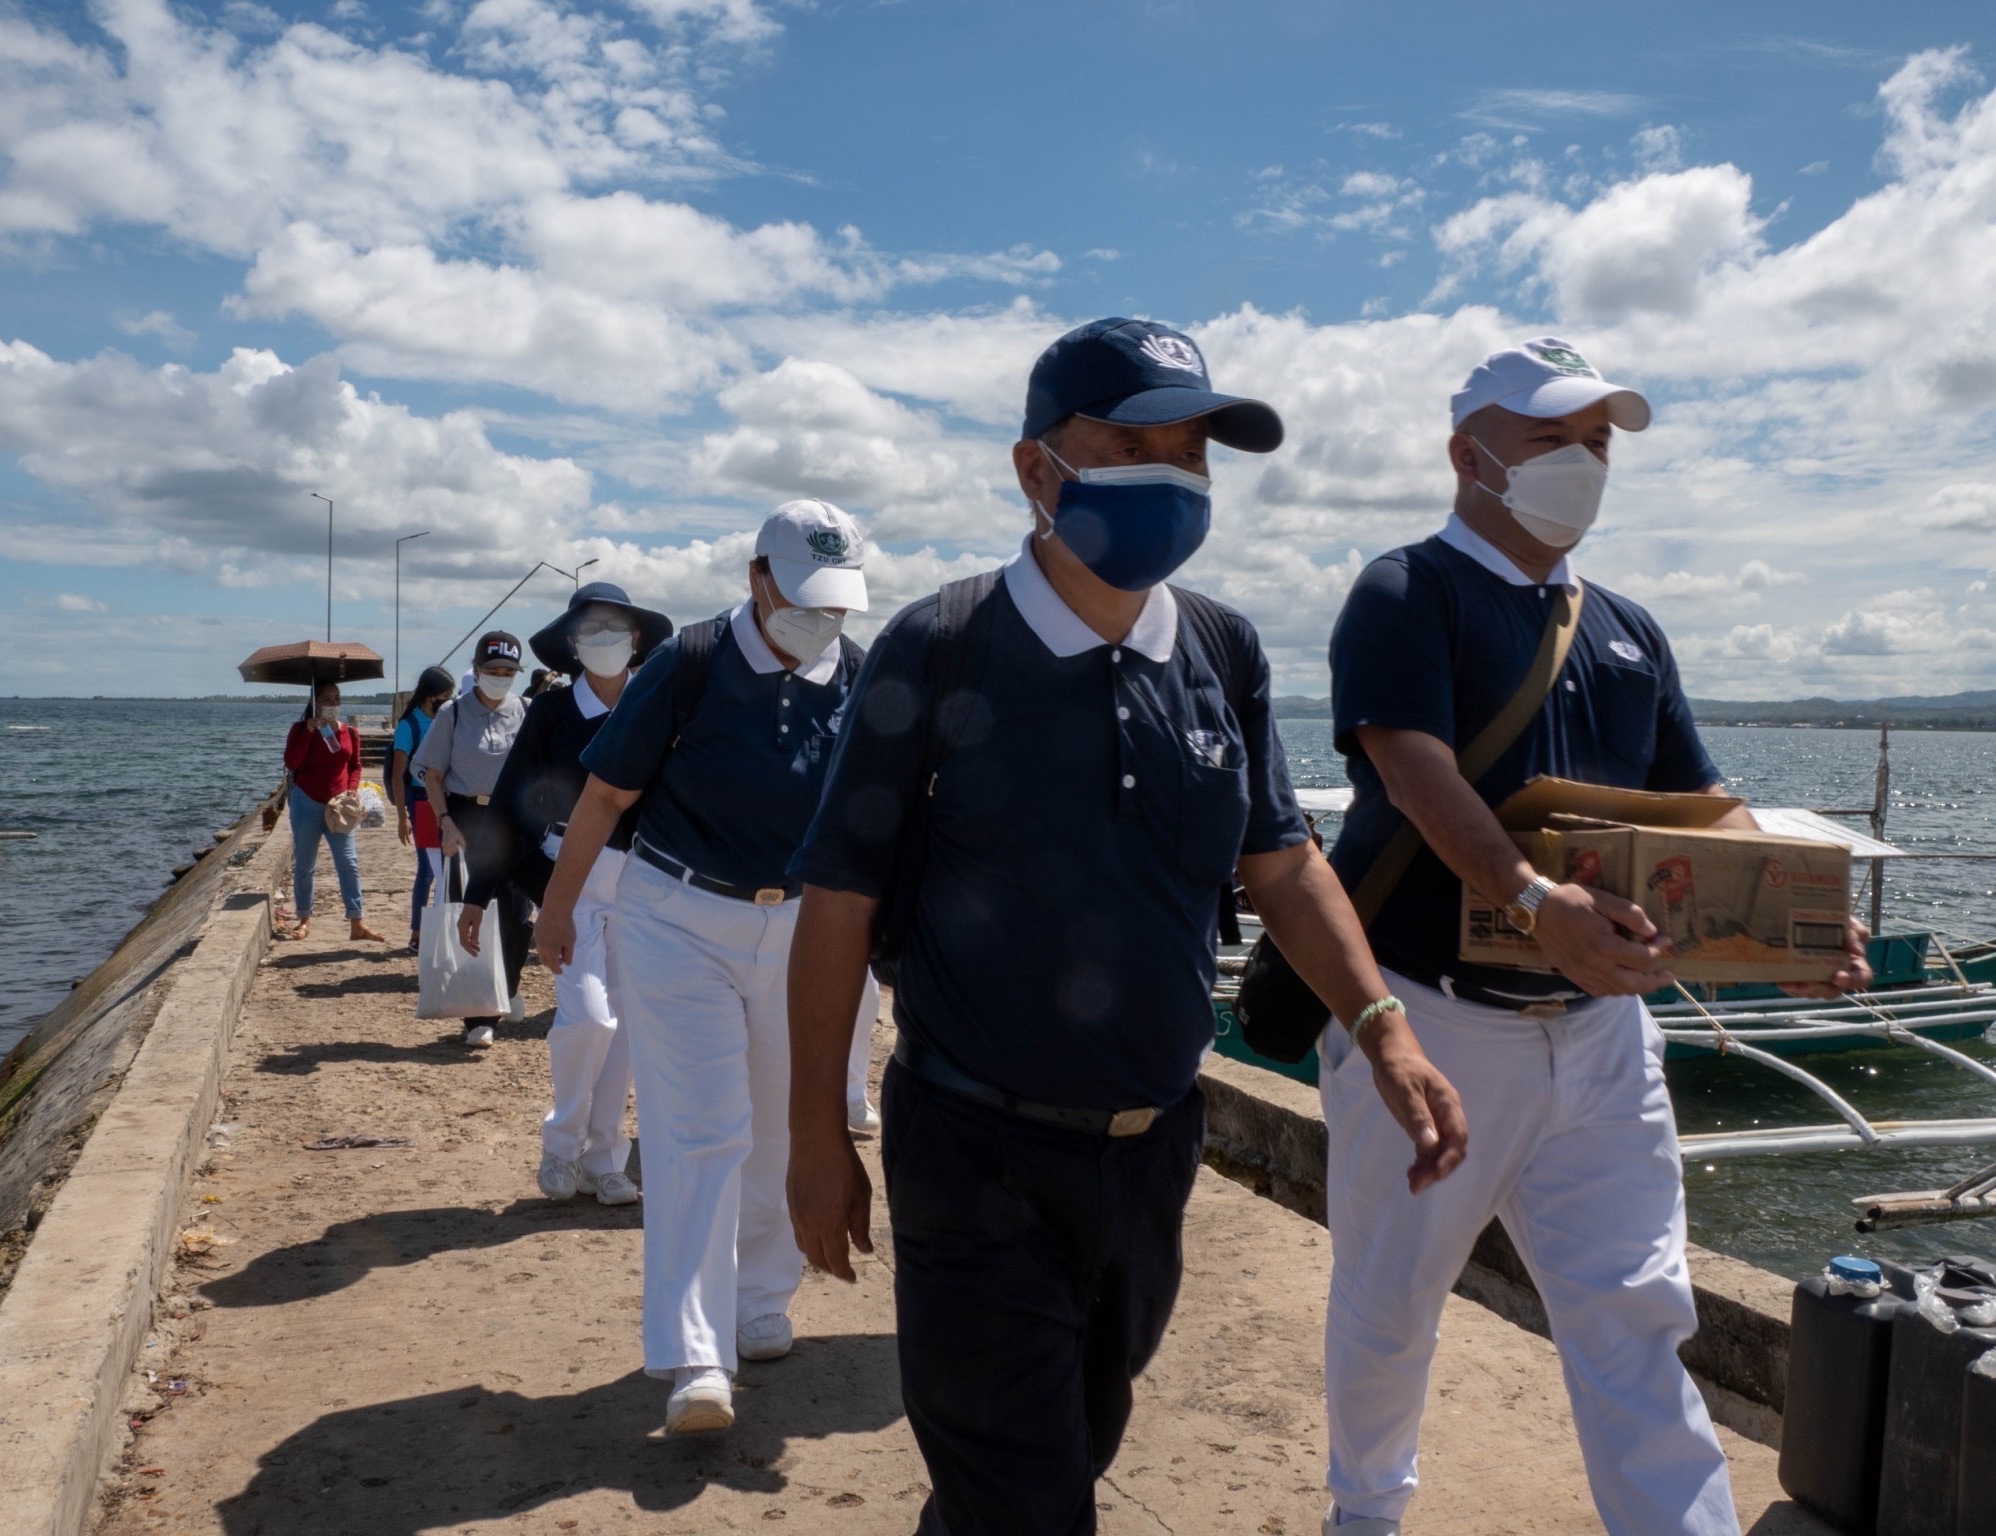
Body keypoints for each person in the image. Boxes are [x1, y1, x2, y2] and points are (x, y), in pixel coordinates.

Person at [785, 318, 1467, 1536]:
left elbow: (1282, 861)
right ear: (1034, 467)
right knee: (1025, 1499)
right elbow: (837, 903)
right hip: (971, 1147)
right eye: (1133, 442)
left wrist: (1381, 1024)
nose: (1171, 474)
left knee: (1065, 1451)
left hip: (1151, 1152)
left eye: (1192, 452)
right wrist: (814, 1135)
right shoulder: (937, 651)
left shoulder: (1221, 649)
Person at [1315, 338, 1871, 1536]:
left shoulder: (1626, 629)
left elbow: (1705, 805)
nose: (1584, 463)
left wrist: (1798, 917)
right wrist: (1532, 901)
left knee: (1636, 1307)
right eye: (1551, 439)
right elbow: (1413, 775)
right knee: (1390, 1298)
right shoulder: (1404, 592)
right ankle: (1364, 1511)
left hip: (1604, 1031)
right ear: (1470, 455)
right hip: (1437, 1020)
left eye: (1598, 444)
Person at [536, 500, 876, 1437]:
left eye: (838, 604)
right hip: (675, 917)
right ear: (757, 576)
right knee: (700, 1130)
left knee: (780, 1122)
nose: (822, 619)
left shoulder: (857, 675)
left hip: (801, 928)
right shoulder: (689, 662)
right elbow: (606, 795)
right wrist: (559, 911)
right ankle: (694, 1354)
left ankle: (760, 1297)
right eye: (806, 598)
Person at [457, 585, 670, 1207]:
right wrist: (479, 893)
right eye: (591, 629)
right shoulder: (549, 713)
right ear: (572, 643)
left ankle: (605, 1158)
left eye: (617, 627)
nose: (605, 639)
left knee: (626, 1027)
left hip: (645, 885)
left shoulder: (658, 704)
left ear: (636, 638)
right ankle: (559, 1146)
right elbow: (510, 803)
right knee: (588, 1017)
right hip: (566, 884)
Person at [414, 632, 530, 1047]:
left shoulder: (528, 711)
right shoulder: (453, 714)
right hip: (467, 818)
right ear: (477, 670)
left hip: (515, 822)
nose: (501, 678)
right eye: (493, 671)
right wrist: (444, 821)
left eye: (508, 672)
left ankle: (510, 985)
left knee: (517, 917)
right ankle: (480, 1016)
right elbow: (432, 774)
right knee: (473, 916)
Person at [281, 680, 385, 944]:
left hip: (340, 807)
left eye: (337, 698)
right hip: (307, 803)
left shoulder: (349, 731)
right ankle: (304, 919)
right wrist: (307, 732)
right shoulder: (300, 729)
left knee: (348, 864)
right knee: (305, 866)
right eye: (327, 699)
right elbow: (292, 763)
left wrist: (351, 789)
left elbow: (355, 765)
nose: (334, 704)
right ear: (315, 703)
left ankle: (357, 922)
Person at [390, 666, 456, 955]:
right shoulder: (410, 725)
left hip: (447, 800)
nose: (449, 699)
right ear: (432, 694)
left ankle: (438, 931)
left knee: (447, 870)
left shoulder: (445, 719)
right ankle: (418, 932)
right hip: (421, 803)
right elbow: (398, 774)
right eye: (445, 694)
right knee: (428, 871)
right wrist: (402, 817)